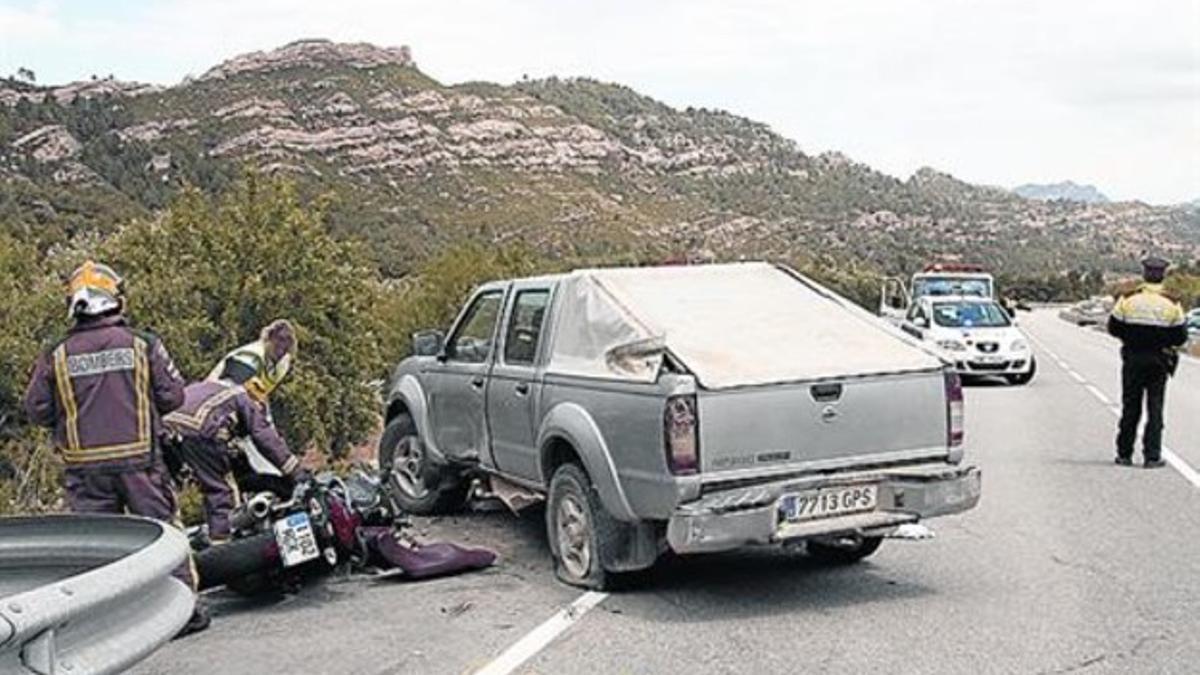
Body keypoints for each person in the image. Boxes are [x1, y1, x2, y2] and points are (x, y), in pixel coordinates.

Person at [23, 260, 210, 636]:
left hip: (85, 470)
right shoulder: (143, 344)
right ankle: (183, 611)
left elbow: (36, 409)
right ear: (115, 299)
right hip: (140, 462)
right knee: (164, 537)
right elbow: (172, 396)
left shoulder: (55, 353)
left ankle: (106, 626)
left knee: (97, 549)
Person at [166, 321, 306, 544]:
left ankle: (169, 543)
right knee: (221, 489)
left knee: (164, 489)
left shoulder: (267, 370)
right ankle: (222, 543)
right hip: (202, 425)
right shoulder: (247, 368)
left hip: (169, 424)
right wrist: (296, 472)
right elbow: (264, 437)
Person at [1107, 256, 1188, 468]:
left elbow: (1113, 327)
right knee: (1155, 408)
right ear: (1163, 275)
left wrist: (1132, 338)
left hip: (1133, 358)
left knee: (1130, 407)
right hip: (1159, 360)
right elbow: (1180, 336)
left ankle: (1124, 454)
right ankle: (1152, 456)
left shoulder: (1128, 299)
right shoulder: (1172, 303)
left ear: (1144, 274)